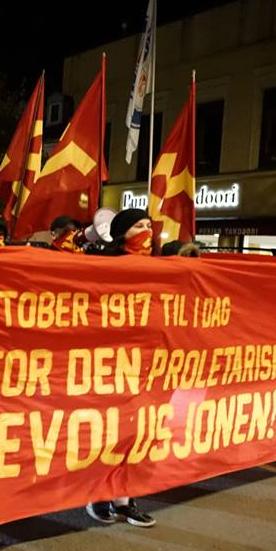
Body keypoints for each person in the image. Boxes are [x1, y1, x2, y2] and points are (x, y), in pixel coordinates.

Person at [84, 208, 157, 527]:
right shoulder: (104, 267)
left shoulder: (162, 269)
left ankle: (125, 500)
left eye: (150, 225)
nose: (147, 231)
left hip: (146, 363)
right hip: (109, 363)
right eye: (139, 226)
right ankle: (98, 495)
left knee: (136, 434)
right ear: (122, 232)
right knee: (108, 433)